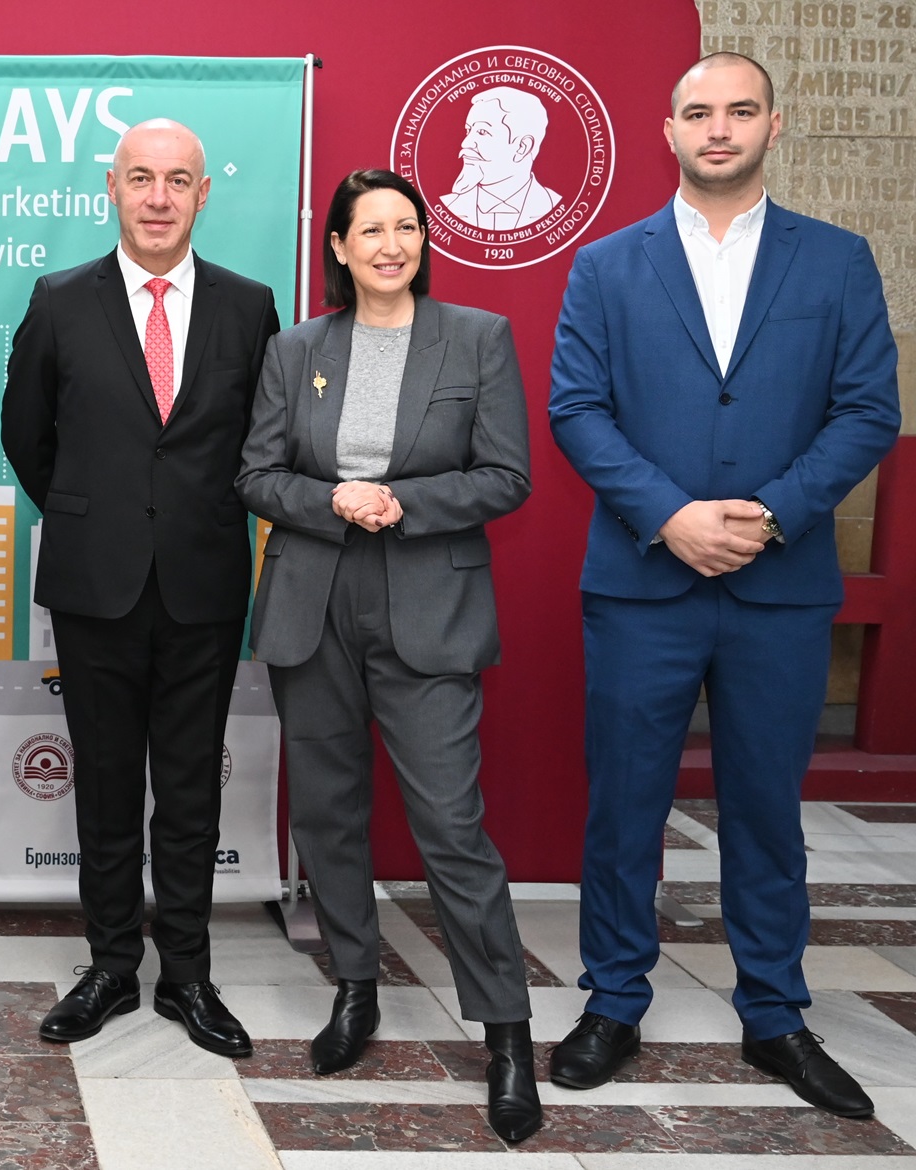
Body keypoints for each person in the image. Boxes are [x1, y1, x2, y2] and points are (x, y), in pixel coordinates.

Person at [548, 53, 900, 1117]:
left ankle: (776, 1012)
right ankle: (614, 999)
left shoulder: (836, 260)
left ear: (773, 126)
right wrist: (671, 516)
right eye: (698, 112)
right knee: (624, 808)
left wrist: (772, 514)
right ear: (668, 131)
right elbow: (577, 409)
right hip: (642, 582)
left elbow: (867, 410)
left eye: (740, 111)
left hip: (777, 584)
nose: (718, 128)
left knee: (765, 808)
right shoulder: (608, 264)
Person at [237, 169, 540, 1143]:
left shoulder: (478, 338)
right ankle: (355, 987)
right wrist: (332, 499)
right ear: (338, 245)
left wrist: (403, 500)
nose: (390, 245)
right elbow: (257, 474)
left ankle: (507, 1032)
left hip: (428, 602)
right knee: (328, 815)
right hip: (313, 601)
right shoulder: (296, 349)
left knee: (451, 822)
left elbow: (506, 476)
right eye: (369, 230)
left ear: (422, 240)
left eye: (406, 227)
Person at [1, 118, 279, 1058]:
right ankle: (113, 964)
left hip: (204, 581)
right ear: (111, 189)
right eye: (141, 178)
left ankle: (187, 973)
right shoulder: (58, 300)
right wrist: (95, 513)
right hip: (96, 583)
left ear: (204, 194)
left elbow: (263, 440)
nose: (158, 198)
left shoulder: (249, 306)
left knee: (191, 788)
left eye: (178, 180)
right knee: (107, 784)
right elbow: (27, 435)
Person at [440, 87, 563, 230]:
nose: (465, 143)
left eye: (482, 132)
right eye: (468, 130)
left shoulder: (554, 207)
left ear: (522, 147)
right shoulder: (448, 206)